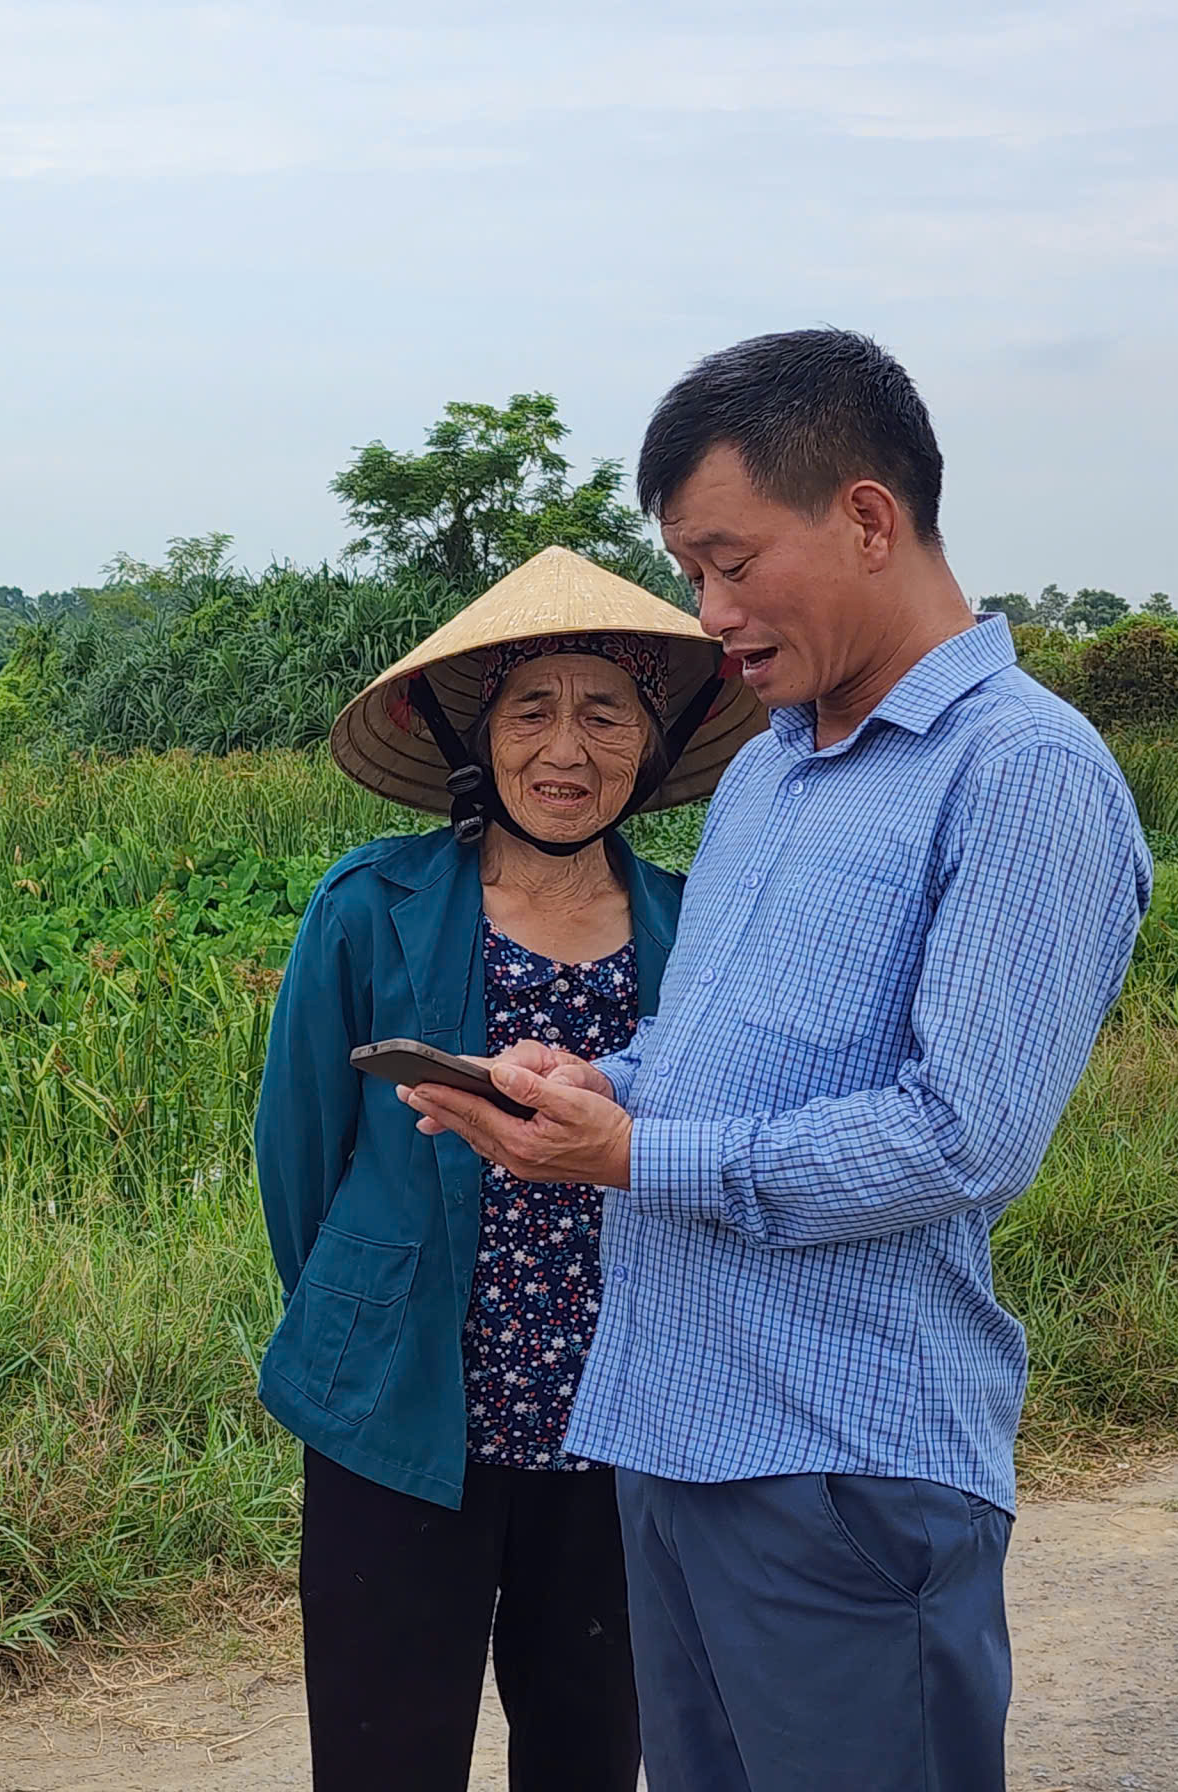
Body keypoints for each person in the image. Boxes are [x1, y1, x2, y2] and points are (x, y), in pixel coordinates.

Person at [406, 331, 1152, 1792]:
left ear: (870, 519)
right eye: (693, 570)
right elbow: (715, 1048)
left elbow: (961, 1137)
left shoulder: (1023, 772)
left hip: (843, 1469)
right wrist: (601, 1083)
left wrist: (633, 1157)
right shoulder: (773, 767)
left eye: (731, 563)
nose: (711, 611)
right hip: (674, 1437)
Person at [256, 547, 763, 1791]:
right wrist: (363, 1310)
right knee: (383, 1752)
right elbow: (300, 1154)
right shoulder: (369, 904)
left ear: (653, 740)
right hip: (403, 1397)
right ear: (476, 735)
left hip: (620, 1407)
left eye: (605, 713)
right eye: (530, 710)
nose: (566, 748)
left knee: (591, 1746)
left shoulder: (694, 928)